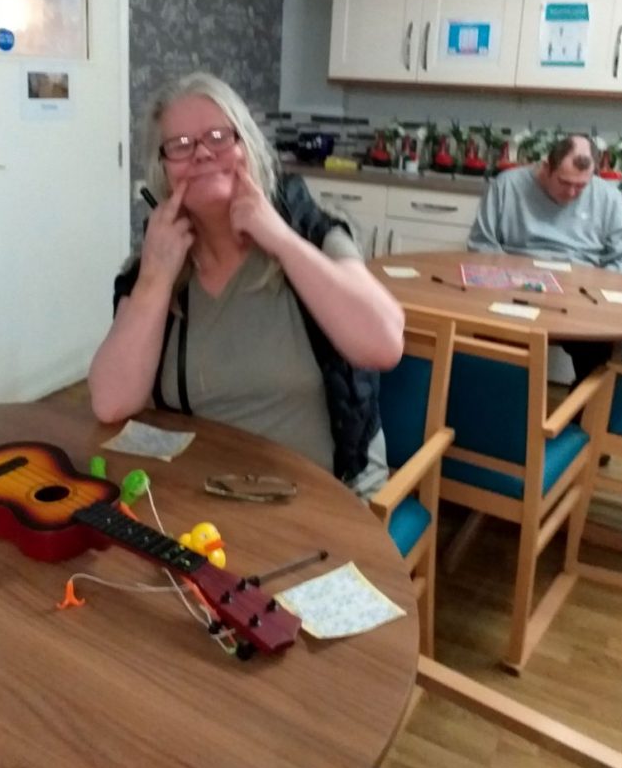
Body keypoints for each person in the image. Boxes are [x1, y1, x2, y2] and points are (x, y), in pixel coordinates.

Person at [88, 72, 405, 498]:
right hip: (208, 492)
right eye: (180, 145)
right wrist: (154, 278)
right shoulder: (158, 265)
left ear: (247, 145)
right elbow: (110, 402)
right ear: (162, 171)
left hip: (327, 496)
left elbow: (384, 343)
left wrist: (279, 238)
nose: (202, 153)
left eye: (219, 137)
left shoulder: (312, 231)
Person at [467, 134, 622, 386]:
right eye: (564, 182)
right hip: (515, 290)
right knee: (491, 347)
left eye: (581, 186)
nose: (572, 193)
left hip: (580, 295)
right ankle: (502, 407)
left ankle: (580, 410)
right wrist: (513, 277)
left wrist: (589, 285)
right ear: (546, 167)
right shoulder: (507, 185)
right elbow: (481, 244)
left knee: (610, 348)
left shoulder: (608, 197)